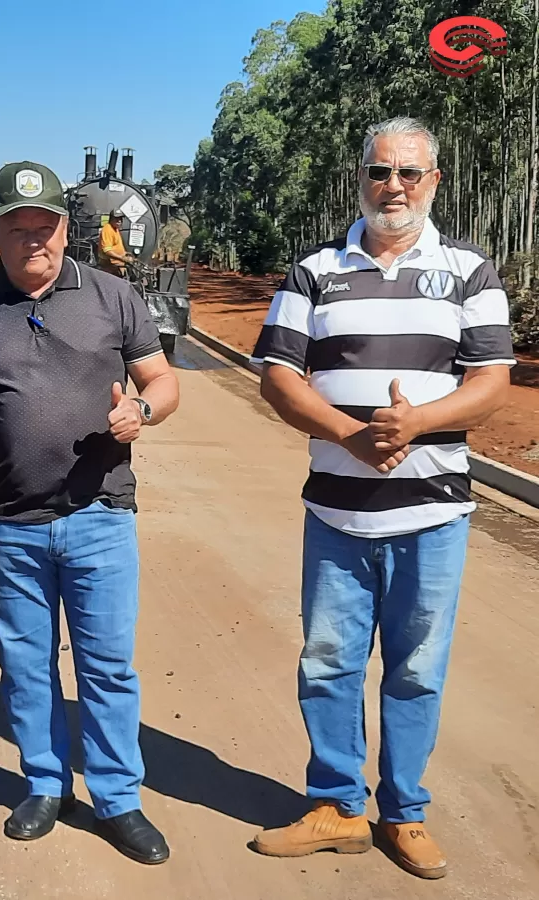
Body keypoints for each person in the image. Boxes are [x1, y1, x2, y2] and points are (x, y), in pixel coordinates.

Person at [250, 117, 513, 880]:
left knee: (417, 669)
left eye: (408, 173)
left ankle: (404, 813)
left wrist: (414, 424)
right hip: (336, 515)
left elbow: (491, 382)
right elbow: (277, 376)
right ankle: (337, 806)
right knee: (328, 663)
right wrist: (350, 432)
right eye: (378, 171)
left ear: (434, 182)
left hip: (433, 516)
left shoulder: (470, 271)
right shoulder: (314, 272)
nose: (391, 187)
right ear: (358, 178)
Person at [0, 161, 180, 864]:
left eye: (46, 226)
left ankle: (119, 799)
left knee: (108, 667)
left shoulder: (113, 297)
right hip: (8, 523)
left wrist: (141, 409)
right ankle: (44, 785)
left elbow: (162, 379)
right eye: (17, 227)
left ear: (67, 227)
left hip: (100, 516)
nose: (34, 240)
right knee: (26, 663)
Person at [98, 208, 131, 275]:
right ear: (111, 219)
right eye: (116, 218)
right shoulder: (107, 229)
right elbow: (107, 251)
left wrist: (125, 254)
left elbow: (116, 247)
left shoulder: (115, 229)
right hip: (110, 267)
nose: (119, 221)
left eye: (121, 218)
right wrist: (122, 258)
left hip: (117, 266)